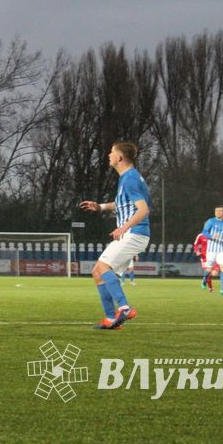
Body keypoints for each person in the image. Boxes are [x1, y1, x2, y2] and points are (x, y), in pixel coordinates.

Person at [79, 141, 151, 330]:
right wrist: (100, 207)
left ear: (119, 157)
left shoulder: (130, 179)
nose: (108, 156)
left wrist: (123, 228)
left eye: (111, 152)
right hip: (132, 234)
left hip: (134, 233)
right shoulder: (127, 178)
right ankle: (111, 319)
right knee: (98, 271)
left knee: (103, 267)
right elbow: (122, 205)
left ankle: (125, 308)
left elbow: (143, 210)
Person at [201, 206, 223, 296]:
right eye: (216, 211)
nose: (218, 212)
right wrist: (211, 236)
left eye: (220, 211)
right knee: (209, 269)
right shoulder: (211, 221)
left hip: (222, 249)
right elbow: (204, 232)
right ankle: (204, 279)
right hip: (211, 249)